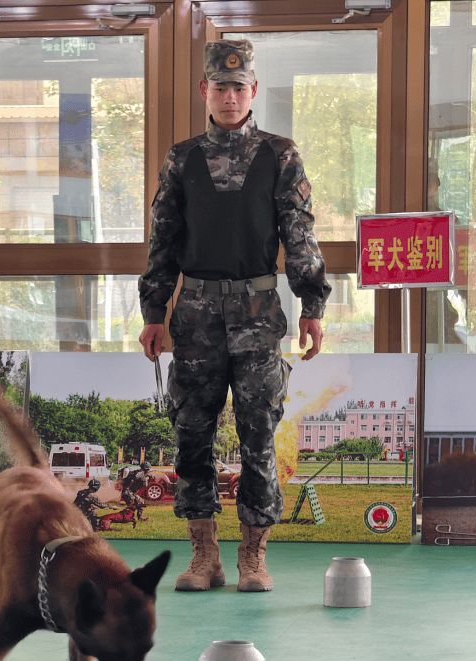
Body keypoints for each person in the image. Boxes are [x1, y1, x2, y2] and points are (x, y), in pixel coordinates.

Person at [138, 40, 330, 592]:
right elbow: (164, 240)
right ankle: (204, 557)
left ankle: (253, 556)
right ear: (205, 90)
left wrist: (312, 306)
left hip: (257, 310)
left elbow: (299, 235)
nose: (228, 96)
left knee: (258, 434)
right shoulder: (182, 158)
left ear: (252, 91)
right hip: (194, 314)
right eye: (219, 87)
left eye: (238, 87)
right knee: (191, 435)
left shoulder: (280, 154)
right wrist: (154, 310)